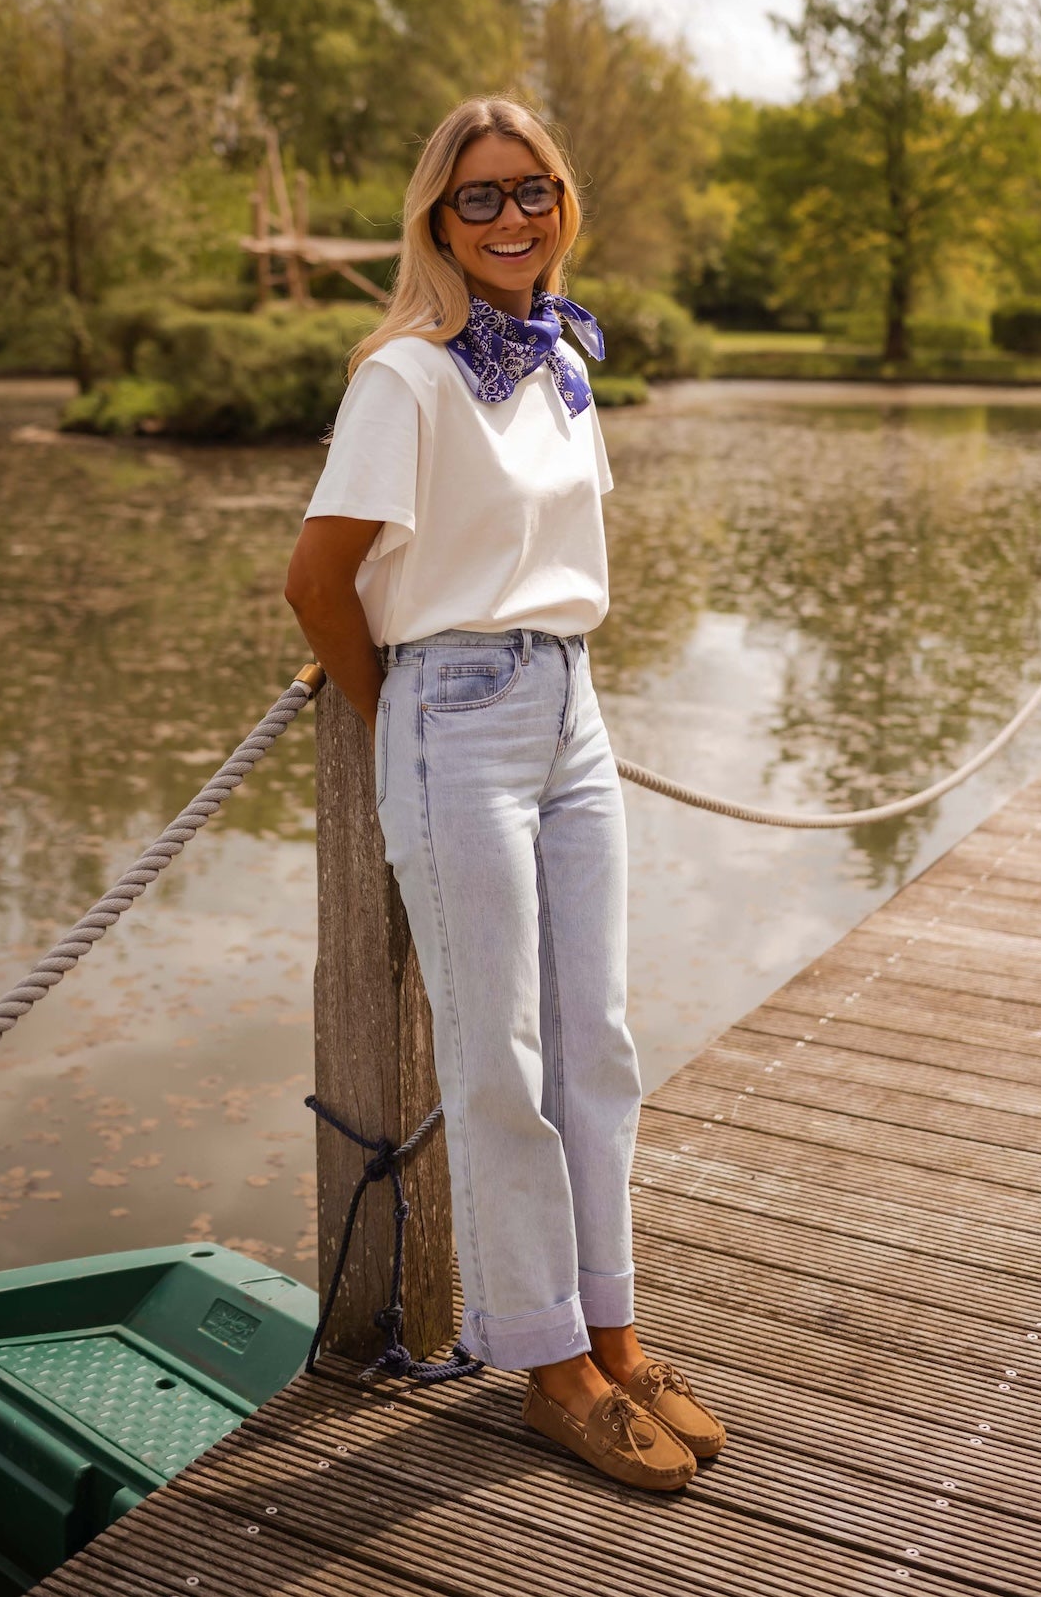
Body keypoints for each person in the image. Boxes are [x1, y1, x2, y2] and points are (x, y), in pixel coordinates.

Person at [284, 96, 724, 1493]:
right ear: (436, 219)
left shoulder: (559, 359)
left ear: (561, 201)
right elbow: (318, 580)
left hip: (571, 709)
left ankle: (615, 1330)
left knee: (595, 1041)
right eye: (478, 197)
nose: (512, 216)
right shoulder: (406, 378)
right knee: (499, 1058)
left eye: (531, 188)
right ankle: (547, 1367)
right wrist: (404, 721)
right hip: (453, 713)